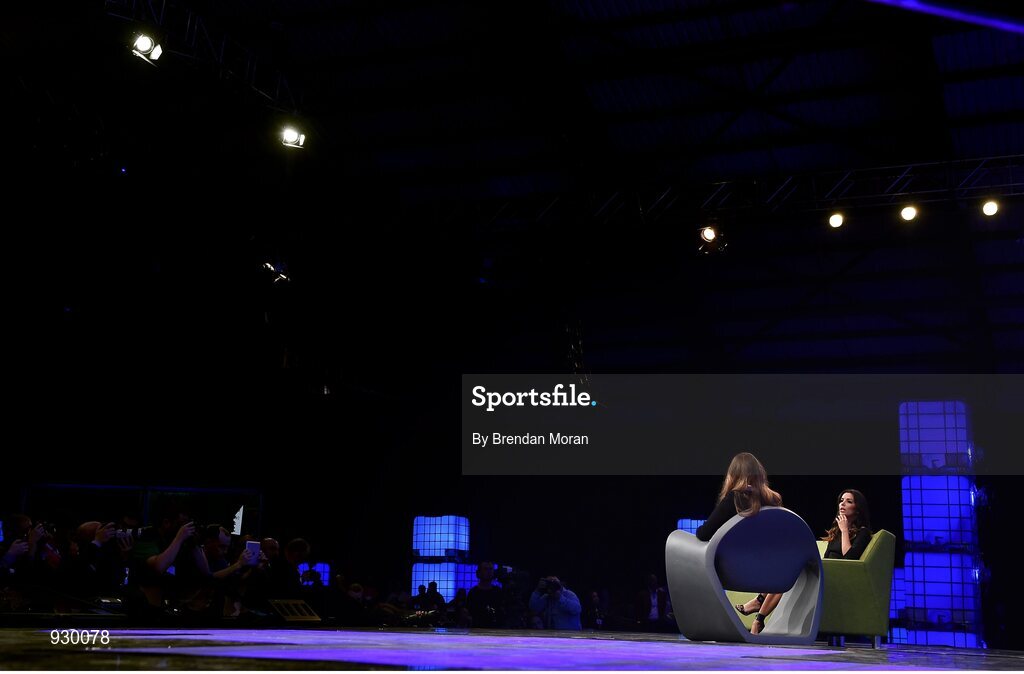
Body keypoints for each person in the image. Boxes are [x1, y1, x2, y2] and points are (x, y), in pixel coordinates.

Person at [739, 489, 873, 634]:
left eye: (849, 501)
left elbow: (849, 560)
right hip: (826, 572)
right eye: (841, 500)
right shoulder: (837, 532)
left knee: (790, 567)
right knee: (789, 566)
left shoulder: (863, 532)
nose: (843, 504)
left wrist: (845, 531)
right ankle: (759, 618)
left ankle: (759, 606)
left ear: (858, 509)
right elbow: (827, 557)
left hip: (838, 576)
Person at [696, 452, 782, 542]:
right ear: (760, 474)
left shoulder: (734, 498)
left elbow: (704, 535)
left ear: (732, 475)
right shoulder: (773, 498)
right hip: (768, 554)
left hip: (735, 555)